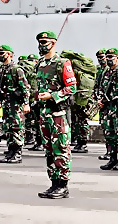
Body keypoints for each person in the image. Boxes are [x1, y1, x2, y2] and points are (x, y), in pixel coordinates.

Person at [35, 31, 76, 199]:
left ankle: (63, 185)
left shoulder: (62, 63)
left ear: (53, 43)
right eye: (39, 42)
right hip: (45, 114)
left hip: (59, 113)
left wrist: (53, 96)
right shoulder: (40, 63)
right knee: (49, 150)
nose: (41, 45)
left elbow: (71, 88)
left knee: (61, 149)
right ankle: (53, 183)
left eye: (44, 41)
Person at [0, 45, 31, 163]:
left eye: (3, 53)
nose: (0, 56)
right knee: (8, 127)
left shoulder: (17, 69)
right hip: (6, 103)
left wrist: (26, 104)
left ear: (10, 54)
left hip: (16, 103)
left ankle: (17, 152)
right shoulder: (1, 69)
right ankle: (10, 151)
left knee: (16, 127)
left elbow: (25, 88)